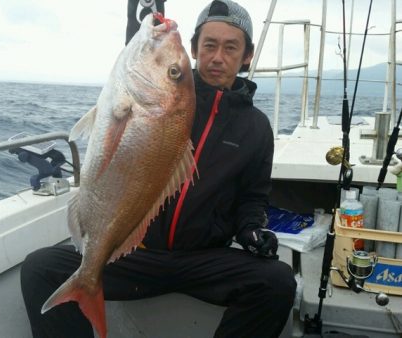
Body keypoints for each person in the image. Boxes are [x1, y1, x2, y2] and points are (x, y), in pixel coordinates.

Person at [20, 1, 297, 337]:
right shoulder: (171, 97)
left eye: (230, 47)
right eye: (209, 45)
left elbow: (252, 197)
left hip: (203, 259)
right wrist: (145, 31)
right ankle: (86, 280)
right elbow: (141, 71)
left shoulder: (256, 128)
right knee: (40, 267)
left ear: (247, 56)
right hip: (138, 254)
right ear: (194, 49)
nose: (218, 57)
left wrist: (251, 230)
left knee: (278, 282)